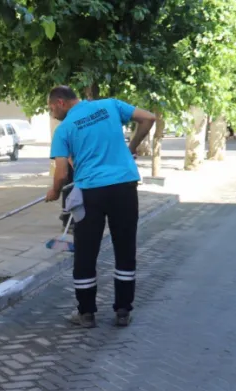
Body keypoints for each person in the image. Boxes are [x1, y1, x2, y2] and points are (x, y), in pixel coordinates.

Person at [45, 86, 156, 328]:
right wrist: (132, 146)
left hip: (90, 193)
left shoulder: (63, 129)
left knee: (85, 252)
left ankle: (86, 313)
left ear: (61, 102)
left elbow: (62, 172)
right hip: (124, 187)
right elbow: (148, 118)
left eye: (51, 107)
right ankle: (123, 310)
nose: (52, 113)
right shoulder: (110, 105)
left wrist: (54, 191)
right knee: (125, 248)